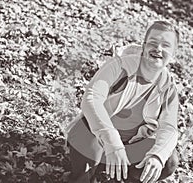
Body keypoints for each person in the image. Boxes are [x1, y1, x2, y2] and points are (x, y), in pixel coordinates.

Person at [67, 20, 180, 183]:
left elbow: (169, 128)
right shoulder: (119, 66)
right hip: (97, 137)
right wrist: (112, 141)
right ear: (144, 45)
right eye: (153, 43)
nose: (158, 49)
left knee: (169, 161)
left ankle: (119, 176)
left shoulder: (167, 87)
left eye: (166, 45)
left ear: (173, 54)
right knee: (86, 137)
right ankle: (84, 176)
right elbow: (91, 99)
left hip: (129, 147)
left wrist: (157, 156)